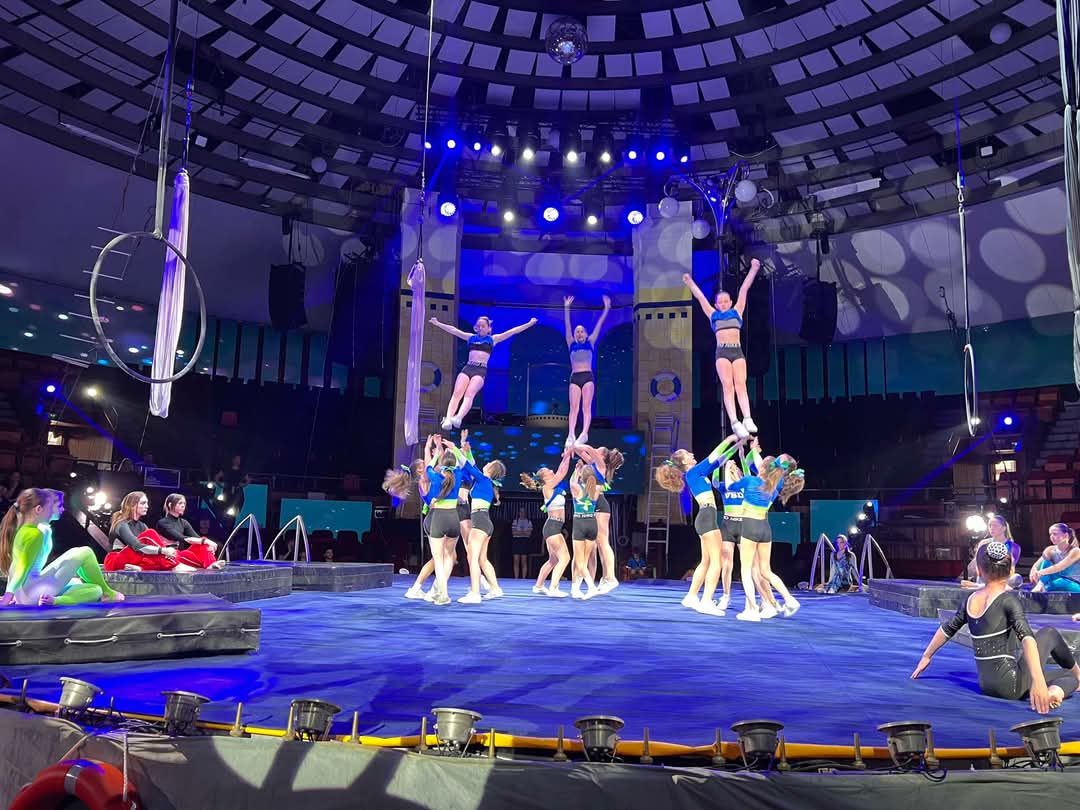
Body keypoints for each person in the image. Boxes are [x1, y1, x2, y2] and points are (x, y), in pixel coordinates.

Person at [913, 541, 1080, 712]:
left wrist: (927, 656)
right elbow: (1028, 640)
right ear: (1011, 571)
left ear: (979, 571)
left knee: (1044, 652)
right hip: (1011, 686)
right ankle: (1061, 688)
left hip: (986, 685)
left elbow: (947, 629)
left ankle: (1061, 683)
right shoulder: (1008, 601)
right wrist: (1038, 681)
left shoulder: (970, 600)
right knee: (1057, 650)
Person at [655, 434, 744, 615]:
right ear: (684, 462)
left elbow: (719, 461)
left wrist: (738, 445)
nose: (692, 454)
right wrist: (730, 438)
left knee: (706, 561)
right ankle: (706, 601)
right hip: (706, 517)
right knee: (717, 561)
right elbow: (713, 456)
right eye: (688, 454)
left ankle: (691, 596)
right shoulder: (693, 473)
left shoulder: (696, 473)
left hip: (705, 517)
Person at [0, 488, 123, 606]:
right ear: (39, 509)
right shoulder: (34, 534)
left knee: (94, 589)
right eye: (52, 506)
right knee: (85, 552)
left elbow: (15, 566)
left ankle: (56, 600)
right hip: (31, 593)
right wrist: (8, 596)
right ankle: (108, 592)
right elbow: (21, 567)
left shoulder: (32, 530)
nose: (62, 509)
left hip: (28, 592)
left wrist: (15, 595)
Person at [683, 259, 762, 439]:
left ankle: (747, 418)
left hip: (737, 351)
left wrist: (754, 269)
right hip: (723, 353)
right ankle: (735, 422)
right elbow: (700, 297)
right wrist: (689, 282)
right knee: (728, 387)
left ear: (731, 302)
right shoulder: (713, 315)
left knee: (741, 385)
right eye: (720, 302)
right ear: (716, 304)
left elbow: (744, 289)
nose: (724, 304)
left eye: (726, 301)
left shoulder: (737, 311)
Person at [731, 440, 804, 621]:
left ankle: (754, 609)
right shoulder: (776, 483)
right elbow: (759, 464)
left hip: (750, 526)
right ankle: (787, 600)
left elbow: (735, 485)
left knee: (748, 570)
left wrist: (735, 471)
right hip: (765, 528)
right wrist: (753, 451)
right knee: (765, 570)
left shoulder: (757, 480)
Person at [384, 437, 463, 605]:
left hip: (438, 517)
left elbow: (437, 464)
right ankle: (424, 588)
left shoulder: (436, 476)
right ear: (420, 471)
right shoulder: (425, 479)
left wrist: (436, 447)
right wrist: (430, 447)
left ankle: (432, 589)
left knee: (443, 557)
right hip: (435, 517)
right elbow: (434, 465)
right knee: (440, 558)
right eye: (423, 464)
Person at [429, 314, 538, 430]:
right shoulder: (471, 337)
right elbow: (453, 330)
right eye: (478, 326)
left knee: (469, 394)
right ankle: (448, 418)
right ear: (476, 328)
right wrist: (437, 323)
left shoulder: (493, 339)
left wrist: (529, 323)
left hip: (480, 370)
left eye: (483, 326)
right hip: (468, 367)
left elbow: (513, 331)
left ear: (489, 328)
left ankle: (459, 417)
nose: (480, 328)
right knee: (457, 393)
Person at [451, 437, 506, 604]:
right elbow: (472, 465)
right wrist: (467, 451)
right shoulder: (484, 480)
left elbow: (468, 466)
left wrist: (454, 448)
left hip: (480, 521)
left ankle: (475, 593)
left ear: (491, 469)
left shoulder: (483, 479)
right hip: (484, 522)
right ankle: (495, 588)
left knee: (473, 557)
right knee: (482, 559)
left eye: (489, 463)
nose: (486, 463)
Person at [104, 492, 204, 572]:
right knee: (150, 534)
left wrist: (165, 549)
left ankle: (208, 564)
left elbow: (150, 549)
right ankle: (175, 565)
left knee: (180, 554)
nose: (147, 506)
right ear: (132, 505)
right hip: (116, 560)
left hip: (135, 559)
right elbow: (137, 546)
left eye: (147, 503)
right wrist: (162, 550)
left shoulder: (142, 525)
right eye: (143, 503)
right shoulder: (121, 524)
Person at [521, 449, 573, 597]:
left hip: (554, 527)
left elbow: (561, 472)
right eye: (548, 470)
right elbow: (562, 472)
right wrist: (567, 454)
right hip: (553, 527)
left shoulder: (553, 487)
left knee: (553, 560)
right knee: (565, 558)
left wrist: (567, 456)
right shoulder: (547, 487)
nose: (551, 470)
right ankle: (554, 588)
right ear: (544, 477)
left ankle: (538, 586)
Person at [575, 444, 625, 594]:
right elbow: (580, 452)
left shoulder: (600, 464)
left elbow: (588, 449)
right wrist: (572, 446)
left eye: (598, 450)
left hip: (599, 505)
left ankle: (611, 577)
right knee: (596, 545)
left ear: (602, 456)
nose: (595, 450)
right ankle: (602, 578)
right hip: (593, 504)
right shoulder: (593, 463)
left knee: (603, 542)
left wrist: (578, 443)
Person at [563, 294, 611, 448]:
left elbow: (599, 324)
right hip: (575, 377)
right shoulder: (571, 343)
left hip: (588, 377)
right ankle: (571, 434)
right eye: (577, 332)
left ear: (586, 333)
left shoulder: (591, 342)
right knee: (573, 408)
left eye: (581, 331)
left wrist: (606, 308)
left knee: (586, 407)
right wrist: (566, 308)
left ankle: (584, 433)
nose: (579, 334)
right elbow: (567, 325)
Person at [156, 494, 226, 570]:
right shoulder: (162, 523)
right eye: (180, 503)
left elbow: (198, 538)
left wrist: (207, 544)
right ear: (170, 505)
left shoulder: (183, 522)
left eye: (184, 503)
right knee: (197, 546)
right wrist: (205, 541)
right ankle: (209, 564)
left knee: (203, 541)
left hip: (181, 555)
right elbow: (180, 537)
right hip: (170, 556)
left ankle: (211, 563)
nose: (183, 506)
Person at [569, 463, 604, 600]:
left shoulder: (576, 488)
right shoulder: (597, 488)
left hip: (580, 523)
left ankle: (591, 587)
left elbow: (571, 481)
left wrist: (576, 470)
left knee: (579, 561)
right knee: (584, 559)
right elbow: (601, 478)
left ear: (582, 477)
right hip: (592, 523)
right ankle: (576, 589)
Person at [962, 515, 1021, 588]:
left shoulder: (1014, 546)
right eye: (990, 526)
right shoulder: (984, 543)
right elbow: (977, 563)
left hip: (1002, 577)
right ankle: (982, 585)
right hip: (985, 576)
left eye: (995, 526)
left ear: (1003, 528)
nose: (992, 528)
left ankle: (979, 586)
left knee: (1017, 578)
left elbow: (1011, 567)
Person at [1029, 523, 1080, 593]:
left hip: (1072, 582)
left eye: (1055, 534)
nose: (1052, 537)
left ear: (1066, 535)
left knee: (1062, 582)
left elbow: (1060, 567)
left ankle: (1044, 588)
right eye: (1050, 534)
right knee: (1046, 562)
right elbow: (1037, 564)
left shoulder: (1076, 551)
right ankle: (1040, 585)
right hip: (1055, 580)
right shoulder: (1049, 550)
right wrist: (1033, 572)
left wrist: (1040, 572)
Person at [511, 507, 534, 580]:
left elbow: (529, 534)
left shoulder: (529, 521)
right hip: (516, 541)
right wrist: (524, 532)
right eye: (520, 512)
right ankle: (516, 578)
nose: (522, 513)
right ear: (519, 513)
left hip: (525, 541)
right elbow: (514, 533)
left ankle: (524, 578)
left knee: (524, 560)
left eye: (523, 512)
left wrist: (520, 532)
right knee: (516, 560)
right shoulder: (515, 521)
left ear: (525, 513)